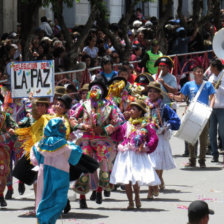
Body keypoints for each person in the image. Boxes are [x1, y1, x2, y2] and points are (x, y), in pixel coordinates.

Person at [69, 78, 124, 208]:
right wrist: (82, 126)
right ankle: (82, 197)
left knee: (103, 160)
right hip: (86, 138)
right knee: (84, 164)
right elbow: (72, 118)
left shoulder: (110, 106)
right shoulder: (83, 105)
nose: (94, 90)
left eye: (97, 88)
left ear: (102, 91)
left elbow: (118, 120)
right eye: (93, 88)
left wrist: (105, 129)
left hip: (102, 139)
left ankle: (100, 189)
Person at [30, 118, 83, 224]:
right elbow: (75, 156)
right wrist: (78, 141)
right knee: (59, 201)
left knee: (44, 199)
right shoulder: (66, 145)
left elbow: (34, 160)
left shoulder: (38, 145)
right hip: (60, 175)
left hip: (44, 174)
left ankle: (43, 220)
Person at [110, 99, 160, 209]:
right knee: (126, 179)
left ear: (140, 112)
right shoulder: (125, 124)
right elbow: (117, 135)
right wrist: (113, 127)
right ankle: (130, 202)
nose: (131, 111)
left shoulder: (145, 126)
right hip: (125, 153)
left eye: (134, 109)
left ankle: (137, 197)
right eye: (131, 108)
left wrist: (146, 147)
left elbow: (154, 138)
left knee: (135, 178)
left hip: (137, 154)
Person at [168, 66, 215, 168]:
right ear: (194, 73)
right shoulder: (188, 84)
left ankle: (202, 160)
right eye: (198, 72)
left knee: (203, 138)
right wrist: (174, 97)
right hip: (192, 113)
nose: (200, 73)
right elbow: (182, 97)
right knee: (191, 137)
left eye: (201, 72)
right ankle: (192, 159)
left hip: (204, 113)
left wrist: (210, 108)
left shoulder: (208, 85)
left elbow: (212, 97)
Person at [146, 82, 180, 198]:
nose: (152, 93)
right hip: (147, 138)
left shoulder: (164, 107)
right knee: (151, 164)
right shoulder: (143, 106)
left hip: (160, 139)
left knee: (157, 164)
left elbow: (176, 120)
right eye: (150, 91)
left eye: (154, 91)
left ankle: (156, 182)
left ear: (159, 94)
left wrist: (167, 126)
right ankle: (153, 187)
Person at [208, 59, 224, 162]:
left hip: (222, 108)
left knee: (222, 132)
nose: (210, 69)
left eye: (211, 67)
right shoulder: (211, 77)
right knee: (212, 132)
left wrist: (218, 87)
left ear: (216, 67)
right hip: (212, 108)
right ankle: (215, 154)